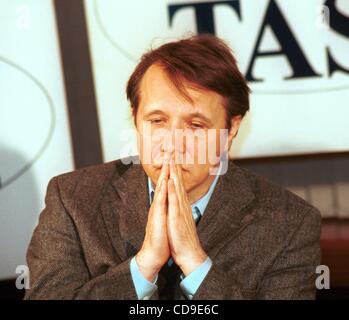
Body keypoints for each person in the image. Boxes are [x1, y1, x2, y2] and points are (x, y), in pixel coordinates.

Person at [25, 34, 321, 300]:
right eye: (157, 121)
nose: (173, 144)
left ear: (230, 129)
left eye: (195, 125)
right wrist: (144, 267)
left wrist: (196, 264)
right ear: (135, 118)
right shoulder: (72, 200)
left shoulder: (290, 223)